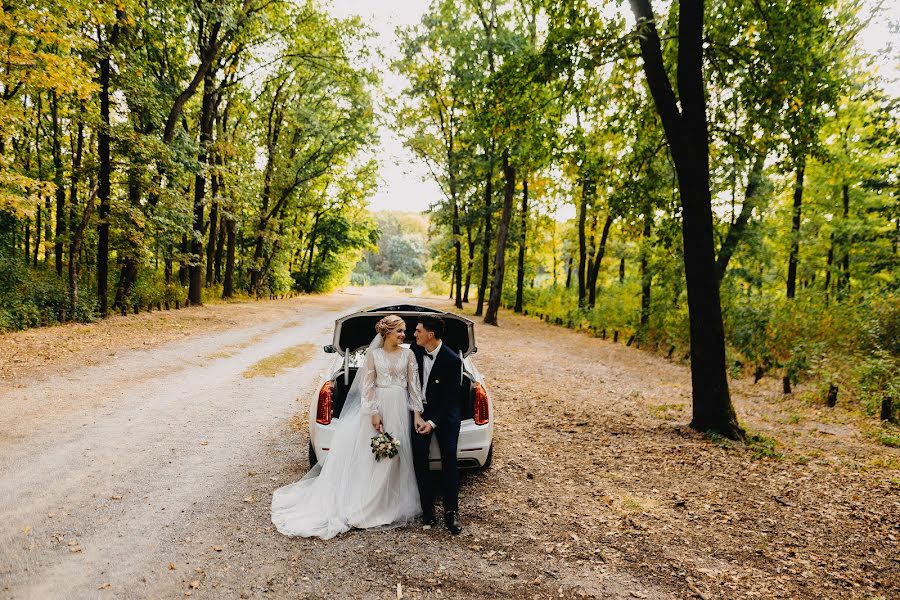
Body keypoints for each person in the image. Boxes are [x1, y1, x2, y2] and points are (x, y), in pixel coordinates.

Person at [271, 315, 428, 540]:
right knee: (377, 455)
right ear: (387, 333)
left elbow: (415, 387)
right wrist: (373, 413)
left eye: (404, 331)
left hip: (400, 409)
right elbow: (368, 387)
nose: (404, 335)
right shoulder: (374, 356)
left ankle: (391, 502)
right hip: (379, 408)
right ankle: (370, 501)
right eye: (400, 331)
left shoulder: (409, 354)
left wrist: (417, 415)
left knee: (398, 454)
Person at [410, 315, 465, 535]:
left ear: (430, 335)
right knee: (419, 457)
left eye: (418, 331)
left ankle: (451, 513)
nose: (414, 335)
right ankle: (427, 511)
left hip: (445, 414)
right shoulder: (413, 352)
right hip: (419, 412)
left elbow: (452, 398)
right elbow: (410, 387)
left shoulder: (452, 360)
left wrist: (432, 423)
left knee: (449, 458)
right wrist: (418, 416)